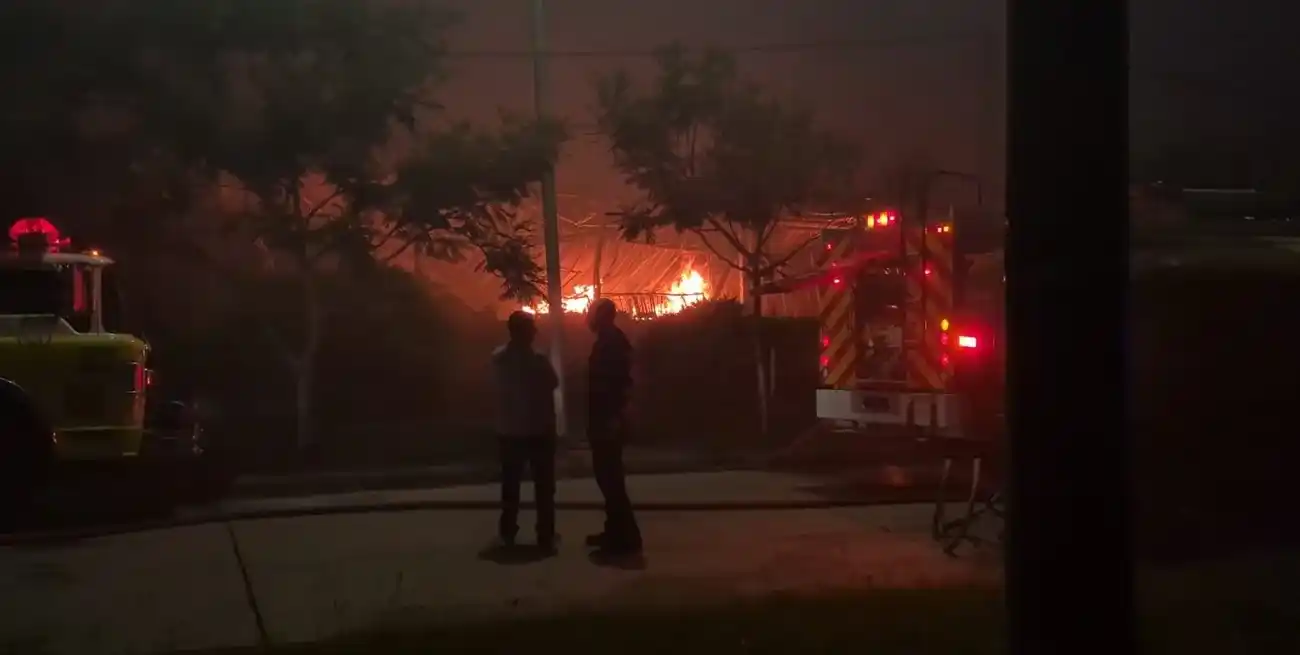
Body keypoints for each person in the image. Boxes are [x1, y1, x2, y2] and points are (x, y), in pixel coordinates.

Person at [490, 311, 559, 552]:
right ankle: (545, 534)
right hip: (538, 431)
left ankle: (508, 531)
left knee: (511, 486)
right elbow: (553, 383)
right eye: (532, 329)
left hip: (510, 432)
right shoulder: (539, 361)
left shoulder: (498, 359)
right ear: (526, 333)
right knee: (544, 487)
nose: (535, 333)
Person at [584, 298, 642, 555]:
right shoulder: (609, 341)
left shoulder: (612, 344)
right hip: (604, 418)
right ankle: (615, 531)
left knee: (611, 479)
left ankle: (626, 537)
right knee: (607, 478)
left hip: (607, 420)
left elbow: (616, 384)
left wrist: (613, 418)